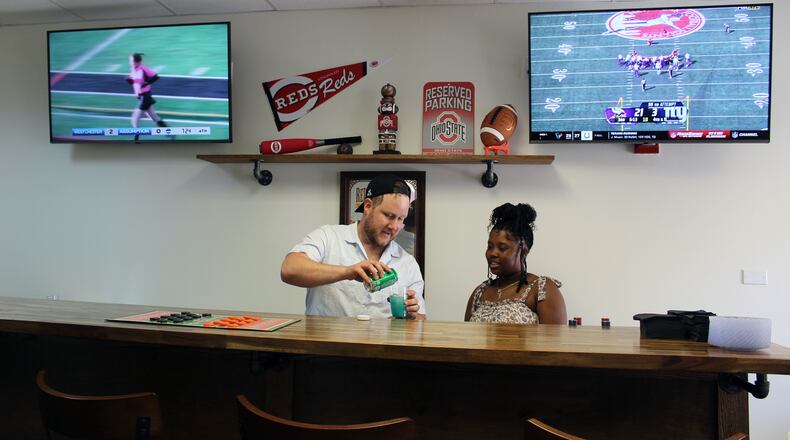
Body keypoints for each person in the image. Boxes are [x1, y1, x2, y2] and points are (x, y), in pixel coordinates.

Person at [281, 174, 425, 319]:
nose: (394, 226)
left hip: (381, 342)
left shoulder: (408, 264)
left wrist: (412, 316)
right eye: (389, 215)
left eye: (401, 219)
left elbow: (421, 320)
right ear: (368, 206)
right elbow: (290, 269)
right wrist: (347, 272)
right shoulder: (328, 237)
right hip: (326, 341)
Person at [464, 203, 566, 324]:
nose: (492, 253)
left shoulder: (541, 289)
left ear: (523, 251)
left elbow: (554, 341)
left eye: (502, 248)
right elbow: (467, 339)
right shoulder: (479, 293)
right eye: (490, 247)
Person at [126, 53, 168, 141]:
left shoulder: (143, 68)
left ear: (137, 62)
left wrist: (146, 83)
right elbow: (134, 81)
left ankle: (136, 140)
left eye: (131, 61)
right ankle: (170, 133)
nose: (129, 62)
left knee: (134, 120)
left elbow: (155, 77)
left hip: (144, 97)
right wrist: (130, 80)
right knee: (154, 117)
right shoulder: (133, 68)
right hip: (141, 97)